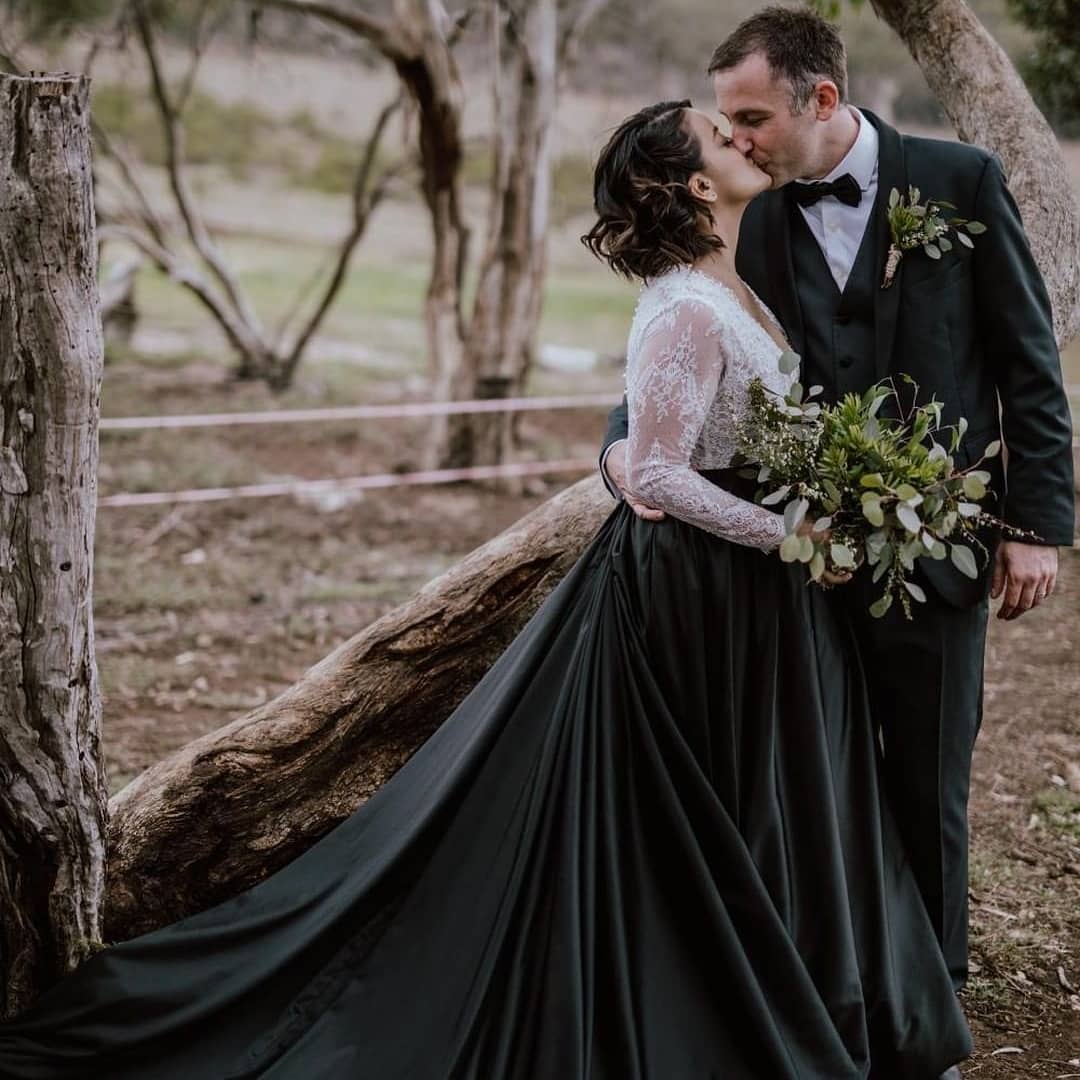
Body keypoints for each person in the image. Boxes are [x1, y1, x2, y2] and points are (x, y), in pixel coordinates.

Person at [0, 102, 971, 1079]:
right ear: (694, 184)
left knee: (763, 794)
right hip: (700, 596)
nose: (742, 139)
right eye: (722, 136)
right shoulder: (684, 307)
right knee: (699, 808)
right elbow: (660, 475)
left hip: (761, 596)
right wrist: (789, 534)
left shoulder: (736, 285)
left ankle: (787, 985)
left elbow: (695, 441)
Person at [600, 8, 1075, 1009]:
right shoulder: (752, 213)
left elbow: (1029, 365)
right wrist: (619, 451)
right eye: (727, 122)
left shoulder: (958, 182)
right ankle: (831, 986)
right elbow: (681, 343)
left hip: (936, 548)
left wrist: (1037, 527)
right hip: (789, 576)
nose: (738, 140)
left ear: (821, 98)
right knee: (817, 786)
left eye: (752, 118)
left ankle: (930, 1003)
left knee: (928, 785)